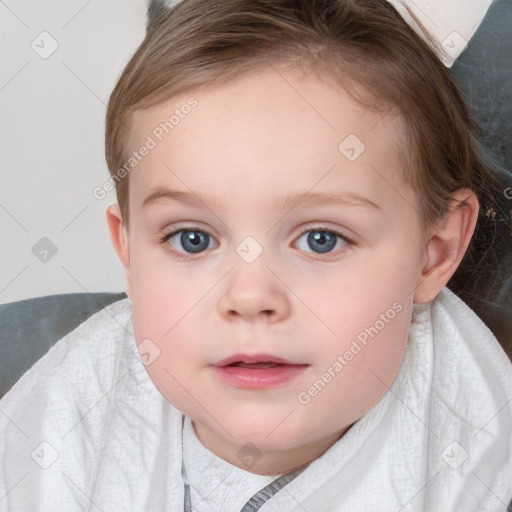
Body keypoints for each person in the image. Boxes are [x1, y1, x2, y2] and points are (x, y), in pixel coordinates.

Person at [1, 0, 511, 510]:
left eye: (321, 239)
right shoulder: (68, 417)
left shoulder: (479, 456)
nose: (249, 297)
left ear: (433, 250)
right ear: (130, 252)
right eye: (191, 239)